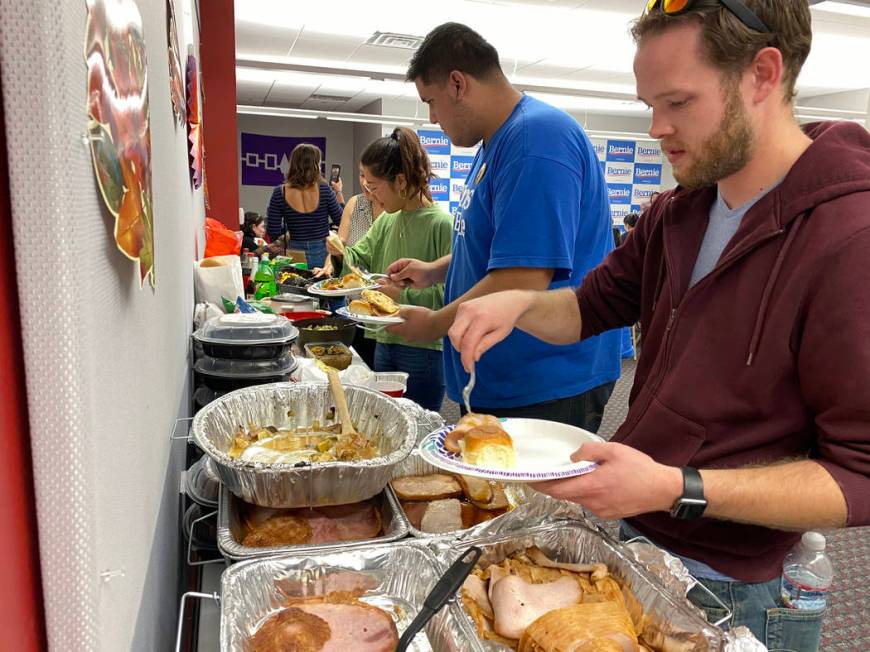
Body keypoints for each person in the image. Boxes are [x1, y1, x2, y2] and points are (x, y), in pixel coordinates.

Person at [446, 1, 870, 648]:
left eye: (676, 102)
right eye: (648, 103)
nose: (655, 127)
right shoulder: (678, 211)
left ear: (762, 75)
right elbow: (588, 308)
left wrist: (675, 487)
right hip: (641, 543)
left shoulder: (849, 237)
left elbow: (857, 477)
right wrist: (519, 305)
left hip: (741, 587)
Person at [386, 23, 620, 432]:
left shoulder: (535, 139)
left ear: (458, 83)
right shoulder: (497, 142)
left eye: (432, 101)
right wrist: (435, 270)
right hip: (502, 375)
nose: (432, 117)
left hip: (545, 381)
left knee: (530, 498)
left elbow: (524, 276)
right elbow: (501, 245)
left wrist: (433, 323)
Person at [325, 128, 452, 411]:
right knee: (385, 422)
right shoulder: (387, 222)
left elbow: (450, 298)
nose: (369, 195)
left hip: (423, 349)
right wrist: (340, 252)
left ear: (401, 181)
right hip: (384, 340)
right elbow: (359, 261)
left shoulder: (441, 225)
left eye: (374, 186)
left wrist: (398, 296)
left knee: (417, 426)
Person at [319, 166, 387, 367]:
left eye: (371, 176)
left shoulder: (395, 212)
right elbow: (341, 242)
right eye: (361, 175)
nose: (366, 182)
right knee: (361, 364)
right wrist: (330, 261)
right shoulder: (355, 204)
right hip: (356, 305)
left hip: (385, 309)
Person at [266, 143, 344, 269]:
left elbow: (273, 230)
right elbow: (341, 220)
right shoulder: (324, 189)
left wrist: (292, 231)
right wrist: (339, 192)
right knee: (321, 287)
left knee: (296, 287)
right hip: (322, 252)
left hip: (294, 252)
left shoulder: (280, 192)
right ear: (315, 165)